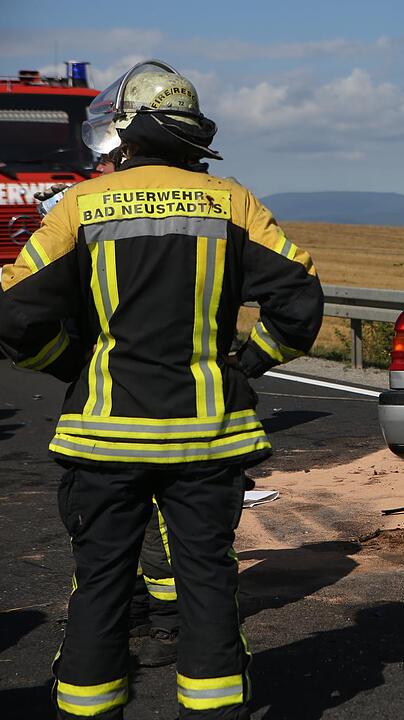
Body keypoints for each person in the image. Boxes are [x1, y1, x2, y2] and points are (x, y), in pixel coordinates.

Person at [0, 59, 324, 719]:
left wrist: (73, 366)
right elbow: (300, 309)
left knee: (100, 587)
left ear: (127, 135)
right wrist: (245, 365)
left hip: (105, 438)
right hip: (206, 442)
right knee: (207, 586)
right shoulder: (232, 201)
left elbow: (14, 318)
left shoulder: (81, 205)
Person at [35, 148, 182, 669]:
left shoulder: (88, 210)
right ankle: (137, 613)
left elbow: (26, 312)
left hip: (122, 404)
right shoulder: (96, 209)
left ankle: (161, 619)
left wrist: (64, 363)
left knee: (137, 520)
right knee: (121, 525)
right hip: (129, 398)